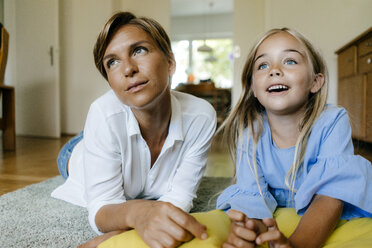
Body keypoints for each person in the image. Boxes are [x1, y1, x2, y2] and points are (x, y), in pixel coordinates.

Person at [51, 12, 217, 248]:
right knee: (86, 142)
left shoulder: (201, 116)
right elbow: (101, 207)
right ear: (110, 81)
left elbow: (179, 199)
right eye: (113, 62)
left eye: (139, 50)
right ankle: (88, 137)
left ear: (170, 62)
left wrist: (121, 235)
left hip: (112, 125)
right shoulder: (102, 112)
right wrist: (139, 215)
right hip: (74, 154)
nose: (128, 69)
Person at [216, 27, 372, 248]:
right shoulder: (250, 131)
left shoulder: (332, 120)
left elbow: (329, 196)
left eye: (289, 61)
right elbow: (252, 197)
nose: (274, 70)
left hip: (324, 209)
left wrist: (296, 244)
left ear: (315, 82)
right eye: (263, 65)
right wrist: (252, 233)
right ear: (253, 88)